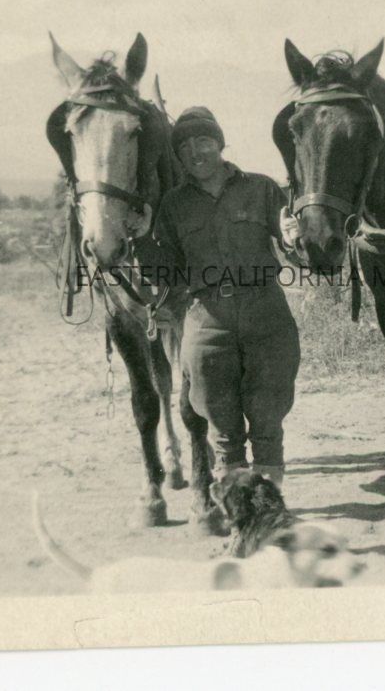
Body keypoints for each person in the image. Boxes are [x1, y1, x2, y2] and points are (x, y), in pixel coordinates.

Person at [152, 106, 301, 487]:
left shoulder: (262, 188)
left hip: (265, 312)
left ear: (220, 144)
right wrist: (139, 238)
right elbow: (165, 270)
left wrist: (293, 239)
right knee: (220, 422)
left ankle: (267, 500)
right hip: (207, 319)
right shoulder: (173, 205)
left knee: (269, 413)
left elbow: (299, 253)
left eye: (203, 141)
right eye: (184, 147)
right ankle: (238, 505)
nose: (195, 152)